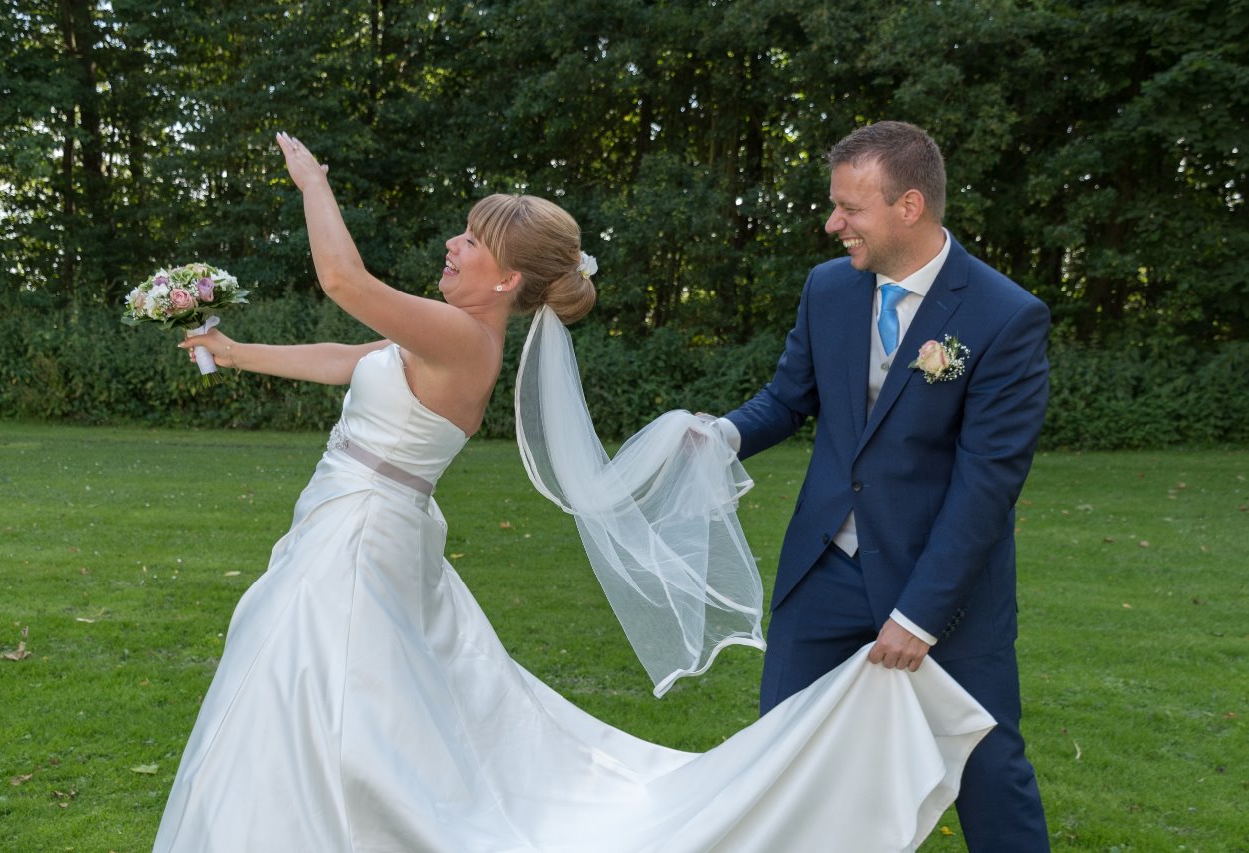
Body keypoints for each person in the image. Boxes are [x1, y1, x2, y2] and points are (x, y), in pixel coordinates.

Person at [153, 131, 996, 852]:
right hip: (353, 527)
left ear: (507, 281)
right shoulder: (439, 334)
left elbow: (343, 281)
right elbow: (352, 358)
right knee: (334, 702)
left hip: (359, 541)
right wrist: (236, 351)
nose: (453, 244)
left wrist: (313, 182)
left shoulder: (462, 337)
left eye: (472, 241)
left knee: (315, 696)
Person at [717, 120, 1052, 851]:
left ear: (909, 206)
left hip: (944, 591)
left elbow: (986, 483)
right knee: (783, 765)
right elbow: (788, 398)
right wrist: (719, 438)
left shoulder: (1005, 316)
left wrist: (921, 615)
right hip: (823, 572)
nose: (832, 224)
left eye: (849, 208)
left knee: (989, 771)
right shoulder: (828, 288)